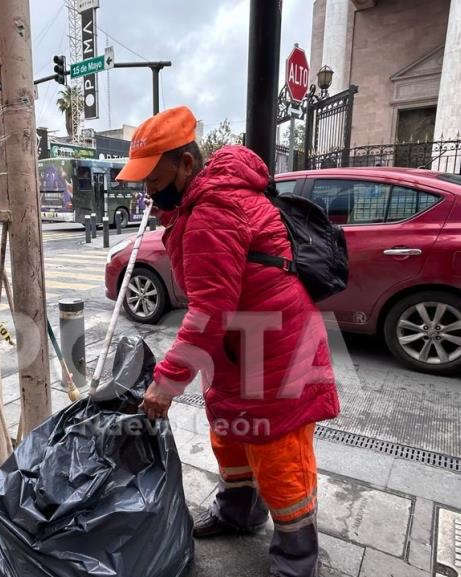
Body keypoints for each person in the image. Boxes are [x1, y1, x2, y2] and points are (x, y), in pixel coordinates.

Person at [115, 106, 339, 577]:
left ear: (186, 165)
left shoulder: (212, 211)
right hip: (241, 352)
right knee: (232, 436)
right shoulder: (200, 205)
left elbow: (208, 309)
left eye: (153, 178)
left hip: (275, 355)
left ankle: (297, 560)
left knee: (280, 460)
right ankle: (237, 512)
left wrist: (167, 381)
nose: (147, 189)